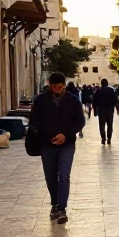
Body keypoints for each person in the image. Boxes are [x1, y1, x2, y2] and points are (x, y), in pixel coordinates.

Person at [30, 72, 85, 223]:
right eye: (53, 86)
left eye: (59, 87)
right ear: (49, 85)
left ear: (64, 85)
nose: (56, 89)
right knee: (50, 176)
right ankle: (54, 203)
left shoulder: (73, 101)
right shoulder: (40, 101)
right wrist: (48, 136)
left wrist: (65, 135)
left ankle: (62, 208)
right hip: (47, 145)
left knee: (64, 176)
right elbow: (34, 121)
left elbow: (80, 122)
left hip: (66, 145)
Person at [93, 78, 119, 145]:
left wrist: (95, 110)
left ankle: (103, 138)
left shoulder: (98, 91)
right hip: (110, 111)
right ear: (107, 83)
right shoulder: (111, 90)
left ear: (101, 84)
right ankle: (109, 139)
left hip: (101, 111)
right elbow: (116, 100)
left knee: (101, 125)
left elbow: (95, 102)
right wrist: (118, 109)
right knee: (110, 125)